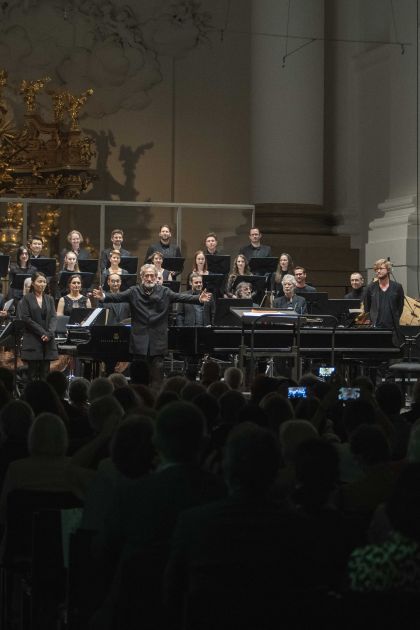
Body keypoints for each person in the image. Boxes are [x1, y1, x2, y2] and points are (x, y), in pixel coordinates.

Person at [93, 263, 211, 376]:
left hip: (158, 343)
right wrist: (104, 296)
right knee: (138, 379)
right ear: (142, 277)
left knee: (157, 378)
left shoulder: (164, 291)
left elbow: (180, 297)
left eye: (152, 275)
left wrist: (198, 299)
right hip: (139, 343)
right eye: (146, 276)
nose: (149, 279)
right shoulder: (134, 291)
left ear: (156, 277)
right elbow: (118, 297)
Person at [18, 271, 58, 381]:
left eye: (44, 282)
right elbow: (26, 319)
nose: (42, 284)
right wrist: (43, 333)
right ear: (33, 283)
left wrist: (49, 333)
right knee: (32, 375)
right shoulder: (26, 299)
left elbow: (54, 318)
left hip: (47, 341)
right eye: (39, 281)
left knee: (45, 374)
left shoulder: (49, 299)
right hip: (33, 339)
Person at [364, 259, 404, 334]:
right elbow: (367, 307)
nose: (378, 271)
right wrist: (370, 321)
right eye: (376, 269)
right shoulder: (370, 287)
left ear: (388, 270)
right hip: (375, 327)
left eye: (381, 268)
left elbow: (400, 306)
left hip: (392, 327)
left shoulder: (397, 287)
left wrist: (395, 318)